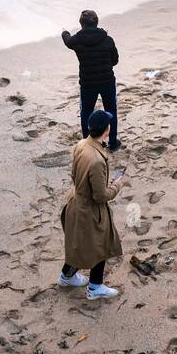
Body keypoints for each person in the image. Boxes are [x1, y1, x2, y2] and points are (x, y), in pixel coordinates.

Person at [58, 109, 125, 300]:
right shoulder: (96, 160)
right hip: (90, 211)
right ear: (106, 129)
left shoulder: (81, 144)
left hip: (75, 203)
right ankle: (95, 287)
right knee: (100, 246)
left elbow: (75, 175)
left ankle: (67, 277)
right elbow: (101, 196)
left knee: (78, 246)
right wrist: (117, 185)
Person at [61, 9, 122, 151]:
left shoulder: (76, 40)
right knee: (111, 111)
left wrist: (64, 32)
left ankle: (88, 145)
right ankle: (113, 143)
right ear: (97, 23)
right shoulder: (107, 40)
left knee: (86, 113)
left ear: (81, 24)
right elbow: (115, 61)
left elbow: (67, 41)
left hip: (88, 84)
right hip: (107, 82)